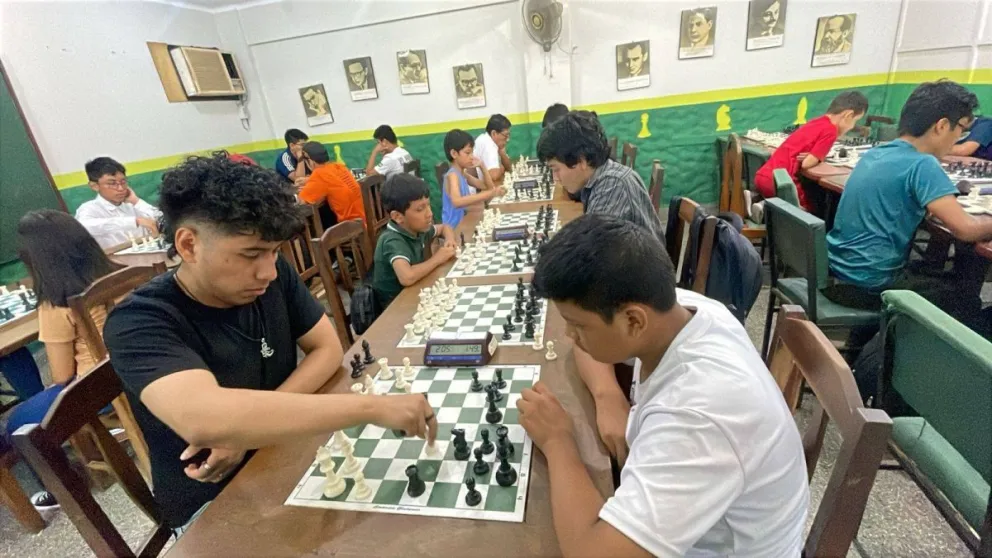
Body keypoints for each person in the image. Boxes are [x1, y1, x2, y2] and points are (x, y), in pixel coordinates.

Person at [103, 155, 437, 531]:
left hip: (285, 451)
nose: (268, 271)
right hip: (214, 505)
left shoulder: (273, 274)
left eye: (274, 251)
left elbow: (327, 349)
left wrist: (247, 434)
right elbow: (205, 419)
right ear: (189, 245)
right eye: (250, 254)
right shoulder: (140, 320)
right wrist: (370, 407)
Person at [517, 214, 808, 557]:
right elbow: (588, 348)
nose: (570, 336)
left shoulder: (698, 414)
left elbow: (590, 553)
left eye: (578, 326)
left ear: (633, 321)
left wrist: (558, 442)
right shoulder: (680, 309)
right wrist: (607, 395)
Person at [825, 81, 990, 332]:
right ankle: (910, 348)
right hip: (872, 285)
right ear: (941, 126)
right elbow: (966, 229)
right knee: (965, 300)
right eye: (962, 129)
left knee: (936, 276)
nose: (959, 138)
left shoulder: (877, 153)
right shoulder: (922, 164)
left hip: (839, 273)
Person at [6, 210, 128, 515]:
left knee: (18, 424)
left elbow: (62, 376)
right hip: (136, 365)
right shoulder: (119, 274)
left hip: (100, 386)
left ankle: (59, 490)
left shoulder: (57, 303)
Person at [536, 111, 664, 245]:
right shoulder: (597, 179)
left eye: (556, 169)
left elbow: (591, 250)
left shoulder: (613, 185)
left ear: (581, 160)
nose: (555, 178)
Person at [754, 90, 869, 210]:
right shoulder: (830, 130)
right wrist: (817, 158)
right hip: (781, 184)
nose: (852, 126)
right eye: (855, 121)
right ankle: (766, 208)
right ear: (848, 115)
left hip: (765, 176)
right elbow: (807, 163)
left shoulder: (816, 122)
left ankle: (763, 206)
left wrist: (811, 155)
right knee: (809, 210)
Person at [372, 174, 458, 309]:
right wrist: (438, 258)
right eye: (420, 209)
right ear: (398, 216)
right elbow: (407, 277)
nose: (429, 213)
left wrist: (450, 239)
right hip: (394, 309)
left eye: (428, 205)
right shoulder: (392, 240)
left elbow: (444, 228)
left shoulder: (417, 228)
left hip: (415, 295)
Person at [74, 157, 162, 249]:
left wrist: (136, 201)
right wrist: (134, 221)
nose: (120, 188)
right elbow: (85, 227)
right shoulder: (89, 208)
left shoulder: (132, 205)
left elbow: (161, 218)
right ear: (94, 186)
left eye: (123, 182)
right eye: (112, 183)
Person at [442, 129, 504, 229]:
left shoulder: (463, 174)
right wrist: (490, 194)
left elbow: (488, 187)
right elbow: (457, 201)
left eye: (472, 153)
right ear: (454, 153)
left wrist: (482, 166)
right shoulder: (452, 175)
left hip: (464, 222)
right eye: (467, 153)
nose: (472, 157)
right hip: (454, 228)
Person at [298, 141, 366, 227]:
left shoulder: (319, 174)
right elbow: (334, 182)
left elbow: (301, 201)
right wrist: (309, 180)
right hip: (362, 221)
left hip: (350, 228)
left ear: (311, 161)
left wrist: (306, 187)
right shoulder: (339, 167)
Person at [473, 114, 513, 182]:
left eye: (509, 135)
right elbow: (493, 176)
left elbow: (509, 168)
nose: (508, 139)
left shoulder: (485, 138)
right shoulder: (489, 145)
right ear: (494, 133)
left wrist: (502, 152)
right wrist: (502, 168)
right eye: (505, 135)